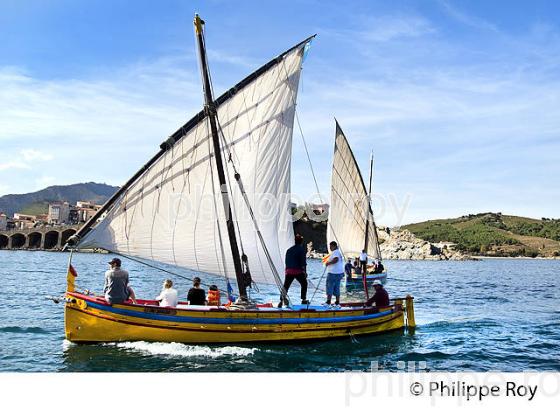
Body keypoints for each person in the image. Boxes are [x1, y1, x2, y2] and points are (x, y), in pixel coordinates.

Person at [279, 234, 308, 307]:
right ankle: (303, 300)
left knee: (286, 286)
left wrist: (287, 270)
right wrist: (305, 272)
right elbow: (303, 262)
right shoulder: (301, 250)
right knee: (304, 284)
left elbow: (286, 261)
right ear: (301, 242)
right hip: (297, 271)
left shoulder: (289, 250)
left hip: (289, 271)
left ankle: (281, 300)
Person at [325, 241, 344, 306]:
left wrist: (328, 263)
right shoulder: (338, 252)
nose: (330, 248)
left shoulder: (335, 252)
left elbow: (336, 259)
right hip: (339, 273)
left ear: (334, 246)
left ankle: (328, 302)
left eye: (331, 246)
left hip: (333, 273)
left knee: (329, 286)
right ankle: (337, 302)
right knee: (337, 287)